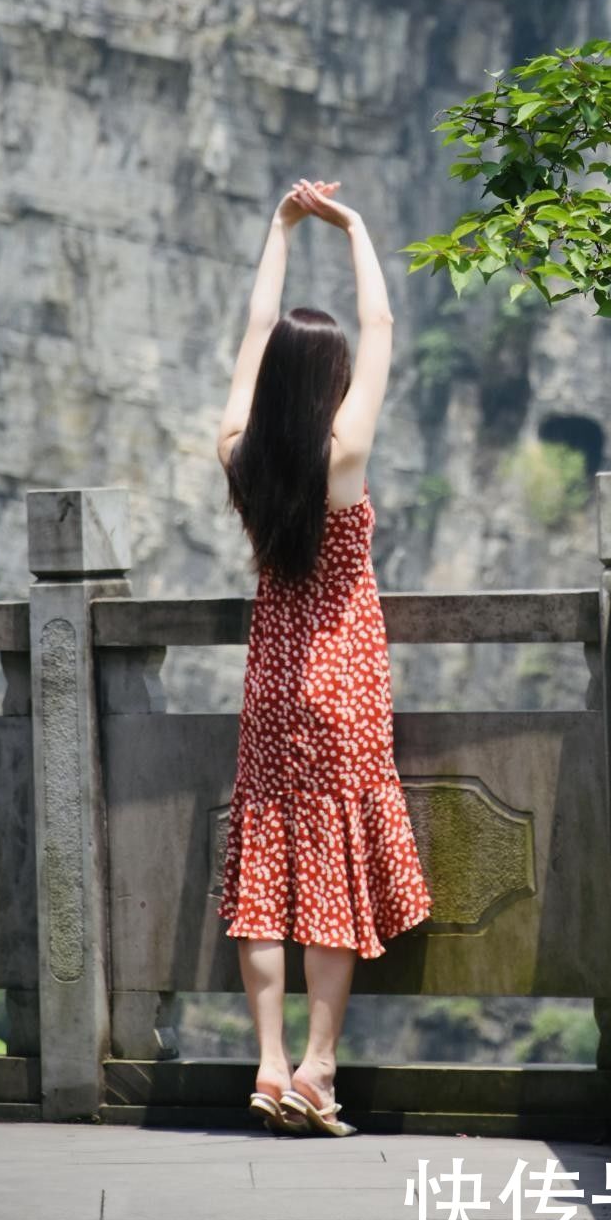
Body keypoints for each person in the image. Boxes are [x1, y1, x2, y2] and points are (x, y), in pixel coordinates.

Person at [214, 177, 432, 1137]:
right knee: (335, 868)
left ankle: (264, 1064)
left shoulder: (239, 451)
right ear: (333, 384)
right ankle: (317, 1066)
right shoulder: (343, 454)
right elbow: (381, 323)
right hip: (341, 677)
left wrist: (277, 229)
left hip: (270, 680)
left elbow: (258, 332)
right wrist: (352, 228)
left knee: (265, 862)